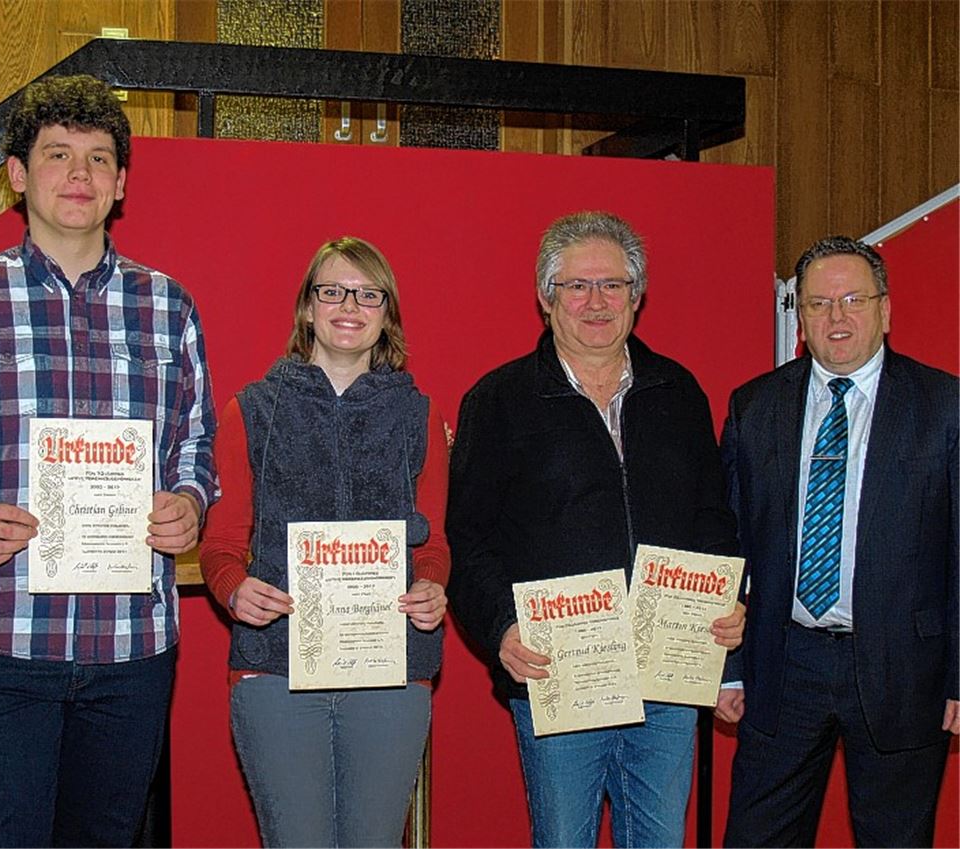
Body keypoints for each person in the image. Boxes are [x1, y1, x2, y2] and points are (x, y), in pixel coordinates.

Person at [0, 75, 218, 847]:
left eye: (98, 159)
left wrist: (190, 501)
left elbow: (197, 443)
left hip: (129, 650)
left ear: (121, 182)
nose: (80, 176)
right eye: (58, 155)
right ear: (17, 174)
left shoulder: (170, 305)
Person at [446, 210, 745, 848]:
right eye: (576, 286)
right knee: (564, 841)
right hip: (558, 675)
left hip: (667, 679)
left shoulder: (678, 392)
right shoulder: (497, 402)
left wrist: (728, 602)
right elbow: (468, 542)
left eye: (613, 285)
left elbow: (713, 519)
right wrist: (501, 626)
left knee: (660, 841)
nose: (596, 302)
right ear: (545, 298)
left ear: (637, 296)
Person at [199, 236, 450, 848]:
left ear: (386, 314)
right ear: (307, 307)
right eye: (332, 291)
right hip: (274, 671)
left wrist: (432, 588)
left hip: (389, 670)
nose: (349, 306)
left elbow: (434, 542)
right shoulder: (250, 410)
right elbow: (221, 546)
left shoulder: (419, 415)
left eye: (369, 294)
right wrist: (235, 592)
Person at [719, 236, 959, 847]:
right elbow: (732, 544)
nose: (837, 317)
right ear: (799, 317)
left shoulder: (945, 406)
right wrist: (728, 669)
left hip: (906, 668)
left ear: (886, 308)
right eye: (818, 303)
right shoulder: (755, 406)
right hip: (784, 665)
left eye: (853, 299)